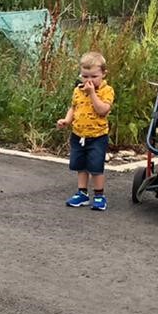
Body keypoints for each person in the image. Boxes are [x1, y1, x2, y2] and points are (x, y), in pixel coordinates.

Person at [56, 52, 114, 210]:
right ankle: (82, 193)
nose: (88, 81)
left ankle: (99, 195)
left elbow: (102, 110)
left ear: (103, 74)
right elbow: (74, 107)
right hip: (78, 134)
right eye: (85, 76)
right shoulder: (78, 90)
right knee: (80, 165)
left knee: (96, 167)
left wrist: (92, 94)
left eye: (94, 77)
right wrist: (67, 120)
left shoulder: (106, 91)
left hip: (97, 136)